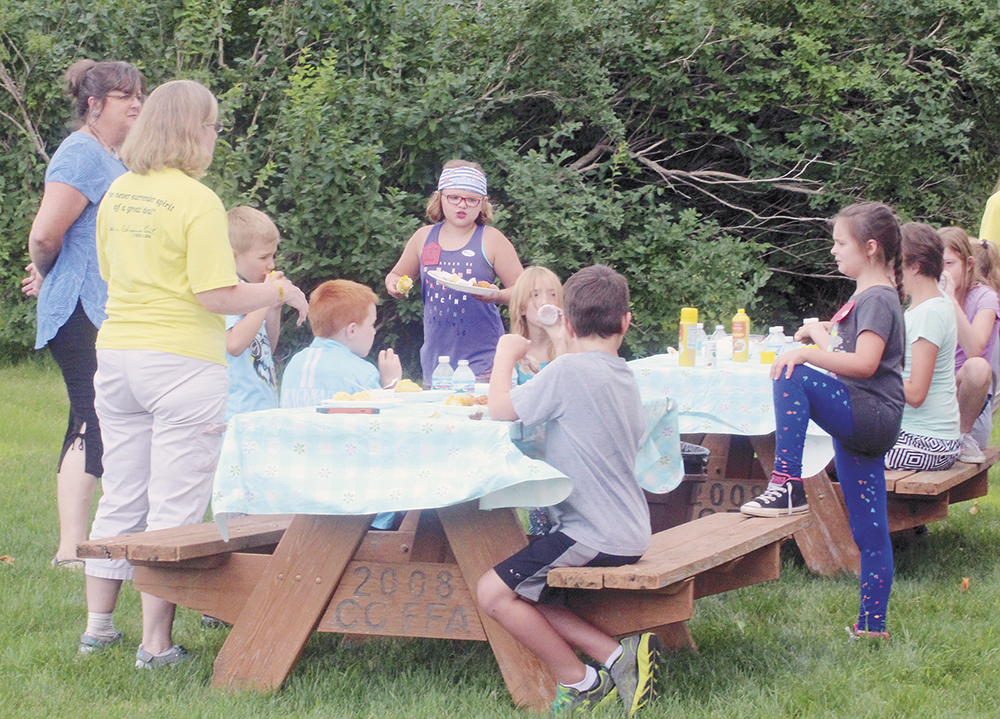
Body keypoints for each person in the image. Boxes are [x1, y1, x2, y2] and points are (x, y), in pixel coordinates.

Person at [81, 80, 308, 668]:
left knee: (121, 489)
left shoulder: (117, 191)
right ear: (192, 131)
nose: (214, 135)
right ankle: (154, 644)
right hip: (182, 361)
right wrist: (277, 290)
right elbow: (217, 295)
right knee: (175, 506)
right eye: (211, 125)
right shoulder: (197, 201)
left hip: (118, 354)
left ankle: (97, 627)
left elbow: (109, 273)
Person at [479, 265, 661, 717]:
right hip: (627, 528)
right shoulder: (621, 375)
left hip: (591, 532)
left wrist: (505, 355)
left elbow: (501, 409)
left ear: (569, 323)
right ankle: (618, 657)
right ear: (625, 322)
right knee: (532, 590)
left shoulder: (570, 372)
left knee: (493, 593)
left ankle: (580, 682)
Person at [741, 202, 905, 640]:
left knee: (790, 372)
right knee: (869, 530)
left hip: (867, 413)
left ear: (870, 248)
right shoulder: (872, 296)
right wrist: (817, 335)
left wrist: (807, 353)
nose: (833, 251)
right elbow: (849, 352)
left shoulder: (875, 298)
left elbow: (866, 364)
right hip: (869, 420)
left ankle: (786, 484)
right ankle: (873, 626)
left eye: (840, 243)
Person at [20, 60, 145, 569]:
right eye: (124, 96)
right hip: (78, 309)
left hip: (102, 306)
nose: (136, 103)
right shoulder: (80, 153)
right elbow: (46, 235)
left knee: (89, 414)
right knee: (93, 417)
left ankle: (78, 542)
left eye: (139, 94)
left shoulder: (111, 156)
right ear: (94, 104)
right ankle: (71, 547)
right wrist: (46, 273)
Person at [384, 160, 523, 383]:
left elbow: (523, 291)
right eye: (454, 197)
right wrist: (395, 285)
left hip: (485, 361)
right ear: (441, 198)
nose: (462, 205)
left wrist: (497, 296)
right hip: (437, 363)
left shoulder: (492, 239)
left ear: (482, 203)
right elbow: (397, 275)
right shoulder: (423, 237)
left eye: (471, 200)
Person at [883, 223, 961, 471]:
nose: (891, 271)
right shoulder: (927, 306)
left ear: (915, 267)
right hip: (916, 436)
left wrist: (872, 375)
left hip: (929, 443)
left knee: (840, 451)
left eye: (895, 264)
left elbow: (916, 394)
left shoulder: (929, 313)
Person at [280, 279, 402, 408]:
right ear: (352, 330)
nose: (374, 332)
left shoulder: (295, 363)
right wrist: (391, 385)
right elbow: (379, 421)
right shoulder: (362, 373)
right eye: (372, 324)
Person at [938, 226, 1000, 461]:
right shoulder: (929, 297)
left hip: (965, 403)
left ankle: (962, 437)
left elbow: (975, 349)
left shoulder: (985, 298)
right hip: (933, 394)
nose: (942, 273)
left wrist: (951, 299)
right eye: (937, 265)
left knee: (977, 366)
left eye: (949, 264)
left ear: (969, 264)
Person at [224, 206, 284, 420]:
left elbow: (264, 349)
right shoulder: (227, 293)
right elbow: (234, 345)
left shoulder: (252, 294)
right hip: (236, 414)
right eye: (263, 257)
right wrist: (266, 298)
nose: (272, 264)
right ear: (233, 256)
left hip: (262, 410)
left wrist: (273, 309)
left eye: (273, 255)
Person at [509, 266, 568, 385]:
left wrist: (559, 341)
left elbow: (567, 391)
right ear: (521, 308)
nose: (545, 302)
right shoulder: (511, 352)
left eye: (552, 295)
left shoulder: (572, 348)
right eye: (535, 295)